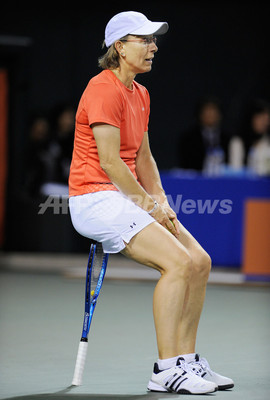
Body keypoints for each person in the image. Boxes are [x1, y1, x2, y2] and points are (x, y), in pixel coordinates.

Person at [68, 11, 234, 395]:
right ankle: (165, 370)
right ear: (119, 47)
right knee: (176, 263)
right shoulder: (102, 89)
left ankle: (188, 361)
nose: (154, 47)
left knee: (200, 262)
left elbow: (143, 158)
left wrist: (162, 202)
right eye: (144, 39)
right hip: (93, 197)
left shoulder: (140, 93)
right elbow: (109, 162)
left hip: (123, 195)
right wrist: (147, 204)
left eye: (153, 40)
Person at [178, 96, 230, 174]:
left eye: (213, 111)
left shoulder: (228, 139)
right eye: (207, 111)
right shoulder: (188, 139)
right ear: (200, 114)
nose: (210, 115)